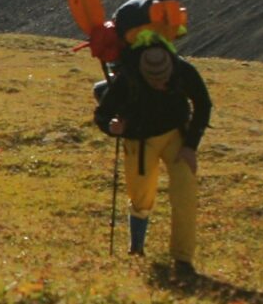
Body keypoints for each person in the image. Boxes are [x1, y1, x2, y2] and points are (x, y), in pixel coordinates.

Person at [91, 18, 212, 282]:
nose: (160, 83)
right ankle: (137, 247)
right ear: (143, 72)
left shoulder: (183, 71)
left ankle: (182, 260)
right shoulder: (128, 79)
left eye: (164, 78)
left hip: (177, 137)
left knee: (185, 194)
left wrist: (190, 147)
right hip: (139, 140)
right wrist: (111, 127)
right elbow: (102, 114)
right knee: (141, 195)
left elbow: (203, 104)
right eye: (154, 79)